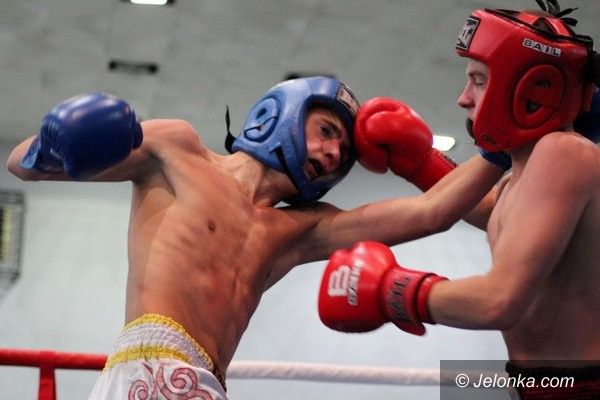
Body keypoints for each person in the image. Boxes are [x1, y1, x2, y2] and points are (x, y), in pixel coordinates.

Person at [6, 76, 505, 399]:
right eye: (327, 131)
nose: (334, 153)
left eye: (344, 153)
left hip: (208, 381)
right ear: (280, 112)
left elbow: (431, 213)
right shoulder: (177, 151)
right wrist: (58, 139)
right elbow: (22, 165)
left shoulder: (299, 229)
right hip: (147, 369)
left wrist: (502, 141)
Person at [318, 2, 600, 399]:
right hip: (538, 385)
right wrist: (421, 164)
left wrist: (392, 291)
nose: (463, 99)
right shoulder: (518, 178)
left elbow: (498, 301)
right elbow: (490, 211)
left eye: (479, 81)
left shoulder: (563, 152)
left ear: (532, 88)